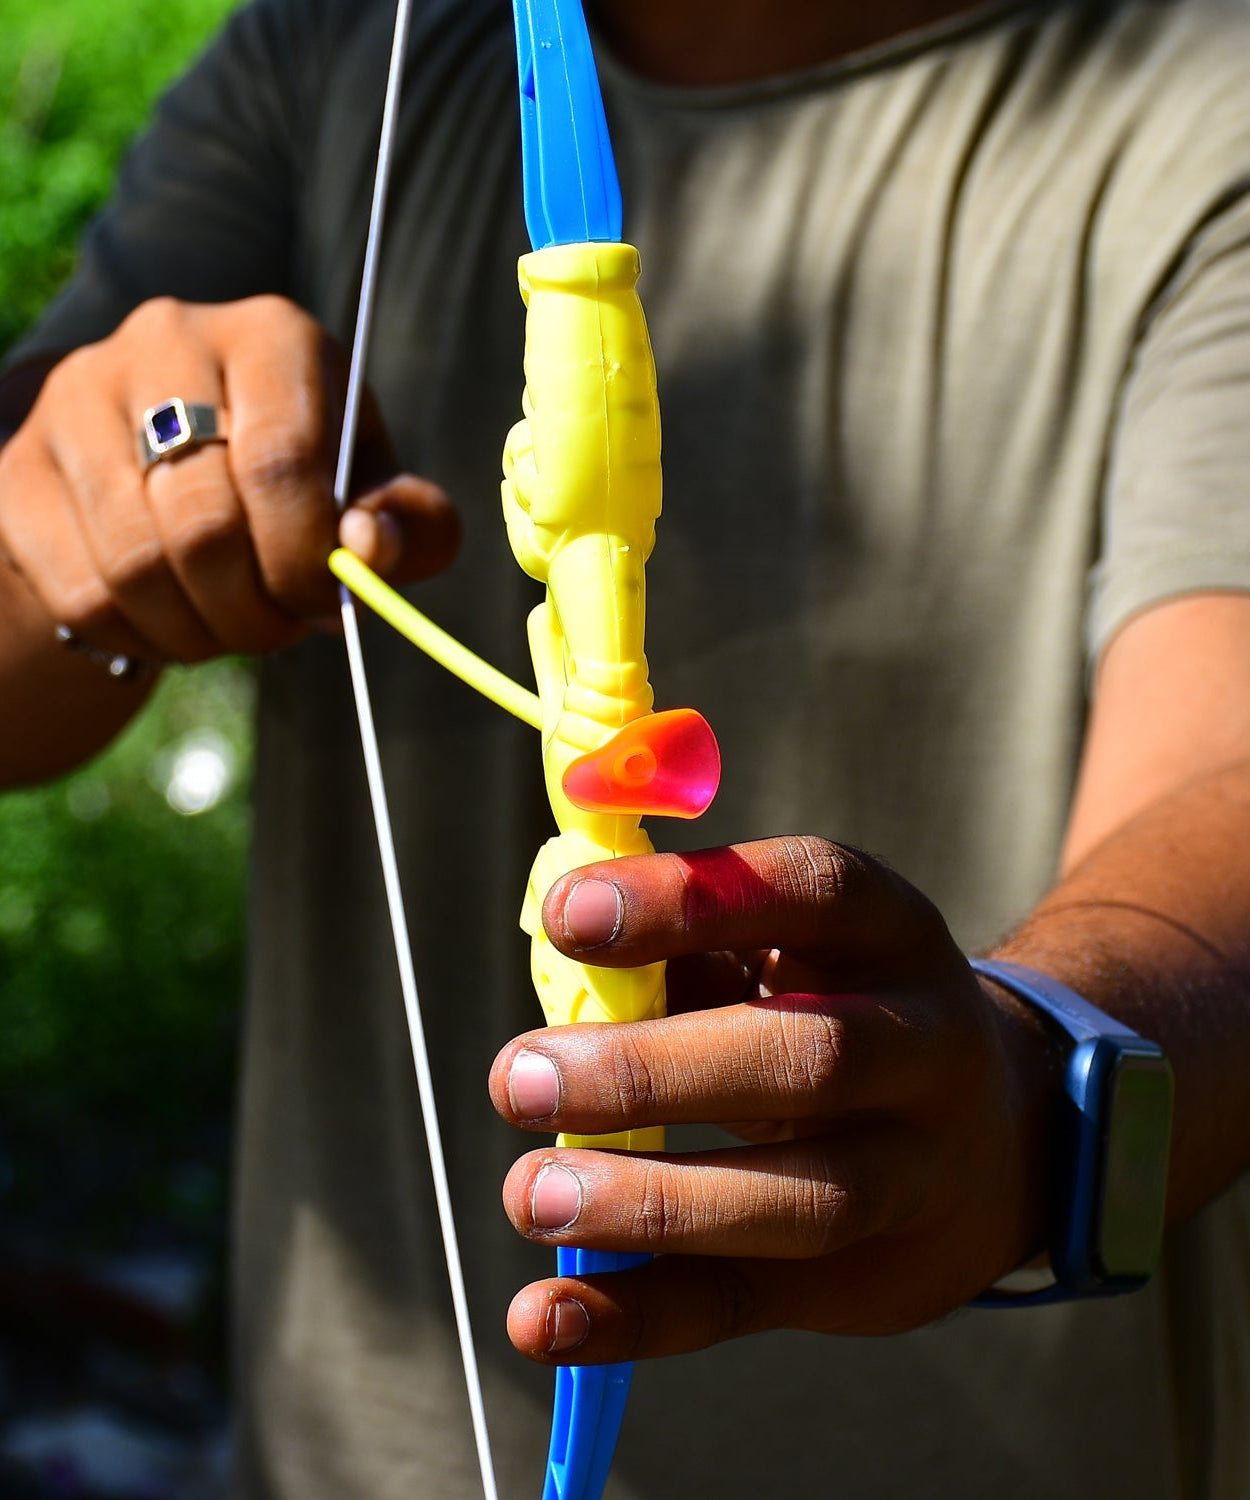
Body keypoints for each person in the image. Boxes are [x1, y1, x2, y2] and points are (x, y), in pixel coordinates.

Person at [2, 0, 1250, 1494]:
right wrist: (78, 546)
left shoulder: (1192, 96)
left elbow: (1219, 771)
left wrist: (1033, 1083)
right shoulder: (342, 52)